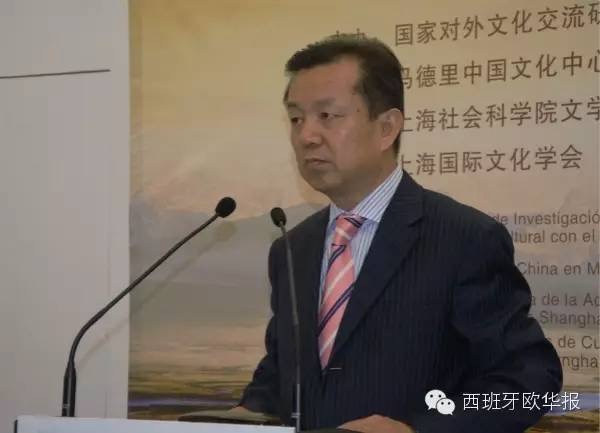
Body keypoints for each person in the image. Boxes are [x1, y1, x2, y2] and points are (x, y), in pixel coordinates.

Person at [234, 34, 562, 433]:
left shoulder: (465, 238)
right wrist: (240, 416)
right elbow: (279, 375)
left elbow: (529, 385)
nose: (306, 136)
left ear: (387, 127)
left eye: (328, 115)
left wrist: (417, 430)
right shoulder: (292, 248)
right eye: (296, 118)